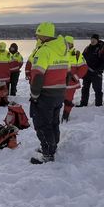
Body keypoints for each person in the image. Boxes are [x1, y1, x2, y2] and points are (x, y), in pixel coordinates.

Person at [28, 23, 69, 164]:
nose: (37, 36)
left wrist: (34, 96)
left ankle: (47, 154)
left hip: (45, 94)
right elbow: (68, 74)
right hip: (59, 93)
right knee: (53, 122)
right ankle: (52, 147)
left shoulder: (44, 51)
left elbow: (38, 76)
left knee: (41, 124)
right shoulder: (63, 50)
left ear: (44, 35)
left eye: (38, 34)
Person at [79, 34, 104, 107]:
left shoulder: (101, 49)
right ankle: (83, 103)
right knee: (85, 88)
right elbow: (82, 59)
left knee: (98, 90)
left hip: (96, 74)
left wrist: (98, 69)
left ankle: (98, 104)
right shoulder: (87, 49)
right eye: (91, 39)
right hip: (87, 73)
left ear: (97, 40)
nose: (92, 41)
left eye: (94, 39)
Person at [62, 36, 86, 122]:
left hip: (71, 83)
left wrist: (75, 77)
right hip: (59, 82)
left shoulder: (77, 54)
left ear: (72, 44)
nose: (66, 45)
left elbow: (83, 68)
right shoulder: (60, 53)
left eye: (68, 43)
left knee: (68, 100)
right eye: (65, 43)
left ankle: (65, 116)